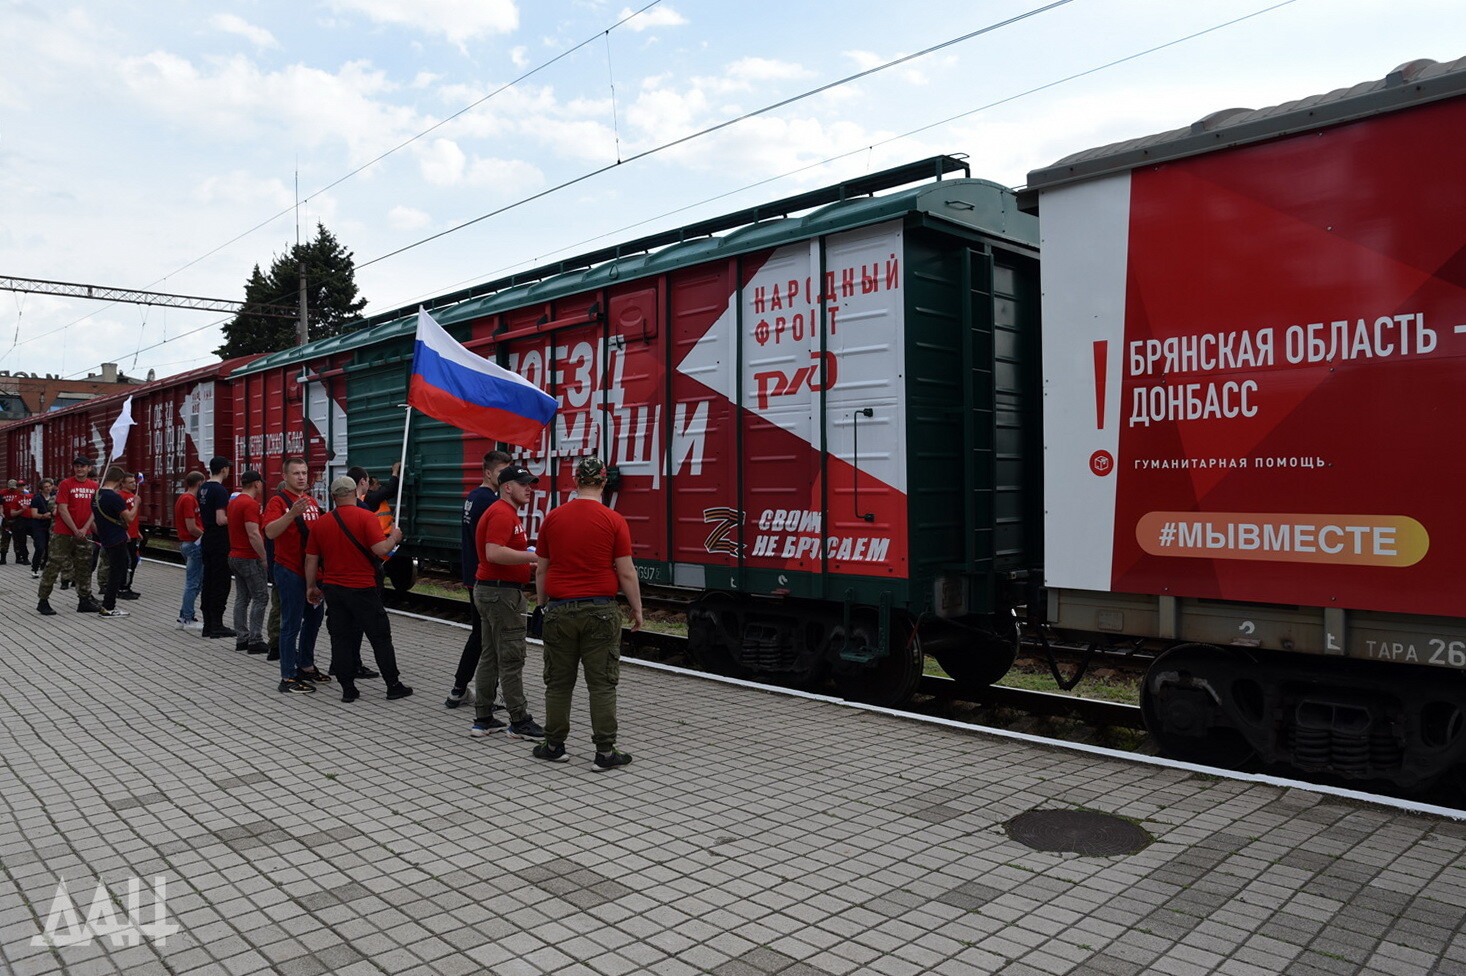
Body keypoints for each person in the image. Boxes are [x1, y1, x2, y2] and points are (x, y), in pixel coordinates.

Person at [531, 456, 643, 770]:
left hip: (559, 609)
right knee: (602, 684)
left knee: (558, 684)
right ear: (604, 482)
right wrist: (637, 610)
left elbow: (541, 570)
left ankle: (553, 745)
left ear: (575, 481)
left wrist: (542, 604)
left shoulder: (553, 518)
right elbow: (626, 572)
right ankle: (605, 753)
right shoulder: (614, 519)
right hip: (601, 612)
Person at [305, 477, 412, 703]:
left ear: (333, 497)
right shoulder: (366, 517)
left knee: (341, 639)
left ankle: (348, 689)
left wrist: (311, 586)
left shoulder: (322, 523)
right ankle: (393, 686)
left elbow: (311, 559)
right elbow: (380, 548)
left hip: (334, 589)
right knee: (380, 637)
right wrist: (394, 536)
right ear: (355, 492)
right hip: (363, 588)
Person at [469, 463, 545, 740]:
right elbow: (494, 552)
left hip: (491, 591)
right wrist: (532, 557)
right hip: (502, 595)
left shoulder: (503, 512)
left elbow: (500, 552)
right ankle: (519, 720)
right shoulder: (502, 513)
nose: (529, 488)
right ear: (507, 486)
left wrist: (525, 562)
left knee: (490, 656)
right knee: (512, 657)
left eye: (531, 484)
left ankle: (483, 718)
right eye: (524, 483)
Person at [447, 450, 511, 708]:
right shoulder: (489, 502)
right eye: (501, 473)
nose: (506, 478)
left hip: (473, 576)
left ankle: (458, 689)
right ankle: (483, 694)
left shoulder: (473, 497)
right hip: (484, 578)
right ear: (488, 473)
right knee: (489, 640)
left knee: (480, 636)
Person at [263, 457, 329, 692]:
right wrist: (291, 514)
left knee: (314, 618)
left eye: (304, 472)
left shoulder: (311, 501)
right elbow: (270, 532)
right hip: (290, 570)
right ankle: (287, 676)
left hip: (313, 572)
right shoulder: (278, 502)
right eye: (296, 473)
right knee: (291, 623)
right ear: (285, 477)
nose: (301, 477)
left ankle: (306, 665)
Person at [37, 456, 101, 616]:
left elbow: (95, 511)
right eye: (77, 466)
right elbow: (63, 509)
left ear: (88, 468)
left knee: (84, 566)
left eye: (82, 467)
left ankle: (84, 599)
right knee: (54, 565)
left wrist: (85, 528)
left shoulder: (94, 486)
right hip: (63, 533)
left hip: (84, 533)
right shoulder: (66, 484)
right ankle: (43, 600)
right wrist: (75, 529)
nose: (79, 469)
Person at [227, 470, 270, 654]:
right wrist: (264, 557)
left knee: (242, 598)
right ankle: (255, 640)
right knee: (261, 597)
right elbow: (253, 533)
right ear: (256, 484)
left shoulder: (234, 502)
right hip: (248, 556)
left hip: (234, 555)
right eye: (261, 482)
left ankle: (241, 638)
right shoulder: (251, 504)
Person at [197, 457, 236, 638]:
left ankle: (207, 624)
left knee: (208, 581)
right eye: (228, 468)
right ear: (223, 470)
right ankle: (217, 624)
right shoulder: (220, 490)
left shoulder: (203, 488)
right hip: (220, 540)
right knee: (221, 582)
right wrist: (235, 518)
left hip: (207, 538)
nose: (229, 471)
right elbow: (221, 519)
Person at [91, 466, 135, 618]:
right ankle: (108, 607)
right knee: (116, 572)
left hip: (106, 537)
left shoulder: (97, 495)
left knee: (114, 571)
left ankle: (107, 605)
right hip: (116, 538)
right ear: (120, 481)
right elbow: (129, 517)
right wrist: (137, 503)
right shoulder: (114, 497)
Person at [174, 471, 205, 630]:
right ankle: (187, 617)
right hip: (193, 544)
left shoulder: (186, 498)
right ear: (199, 483)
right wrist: (206, 537)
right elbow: (191, 527)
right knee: (193, 583)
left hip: (190, 544)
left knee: (196, 583)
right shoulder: (188, 500)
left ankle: (184, 615)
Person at [27, 478, 55, 581]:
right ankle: (34, 568)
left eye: (49, 486)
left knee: (50, 549)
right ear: (41, 488)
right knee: (40, 547)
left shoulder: (54, 497)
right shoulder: (37, 499)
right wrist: (43, 516)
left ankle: (45, 567)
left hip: (51, 526)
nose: (48, 488)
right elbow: (34, 514)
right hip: (39, 526)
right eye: (45, 487)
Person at [1, 478, 27, 565]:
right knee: (5, 538)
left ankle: (18, 557)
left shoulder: (19, 493)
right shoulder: (2, 493)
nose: (12, 489)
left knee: (17, 538)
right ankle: (3, 558)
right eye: (10, 488)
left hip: (17, 519)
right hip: (6, 518)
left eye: (13, 488)